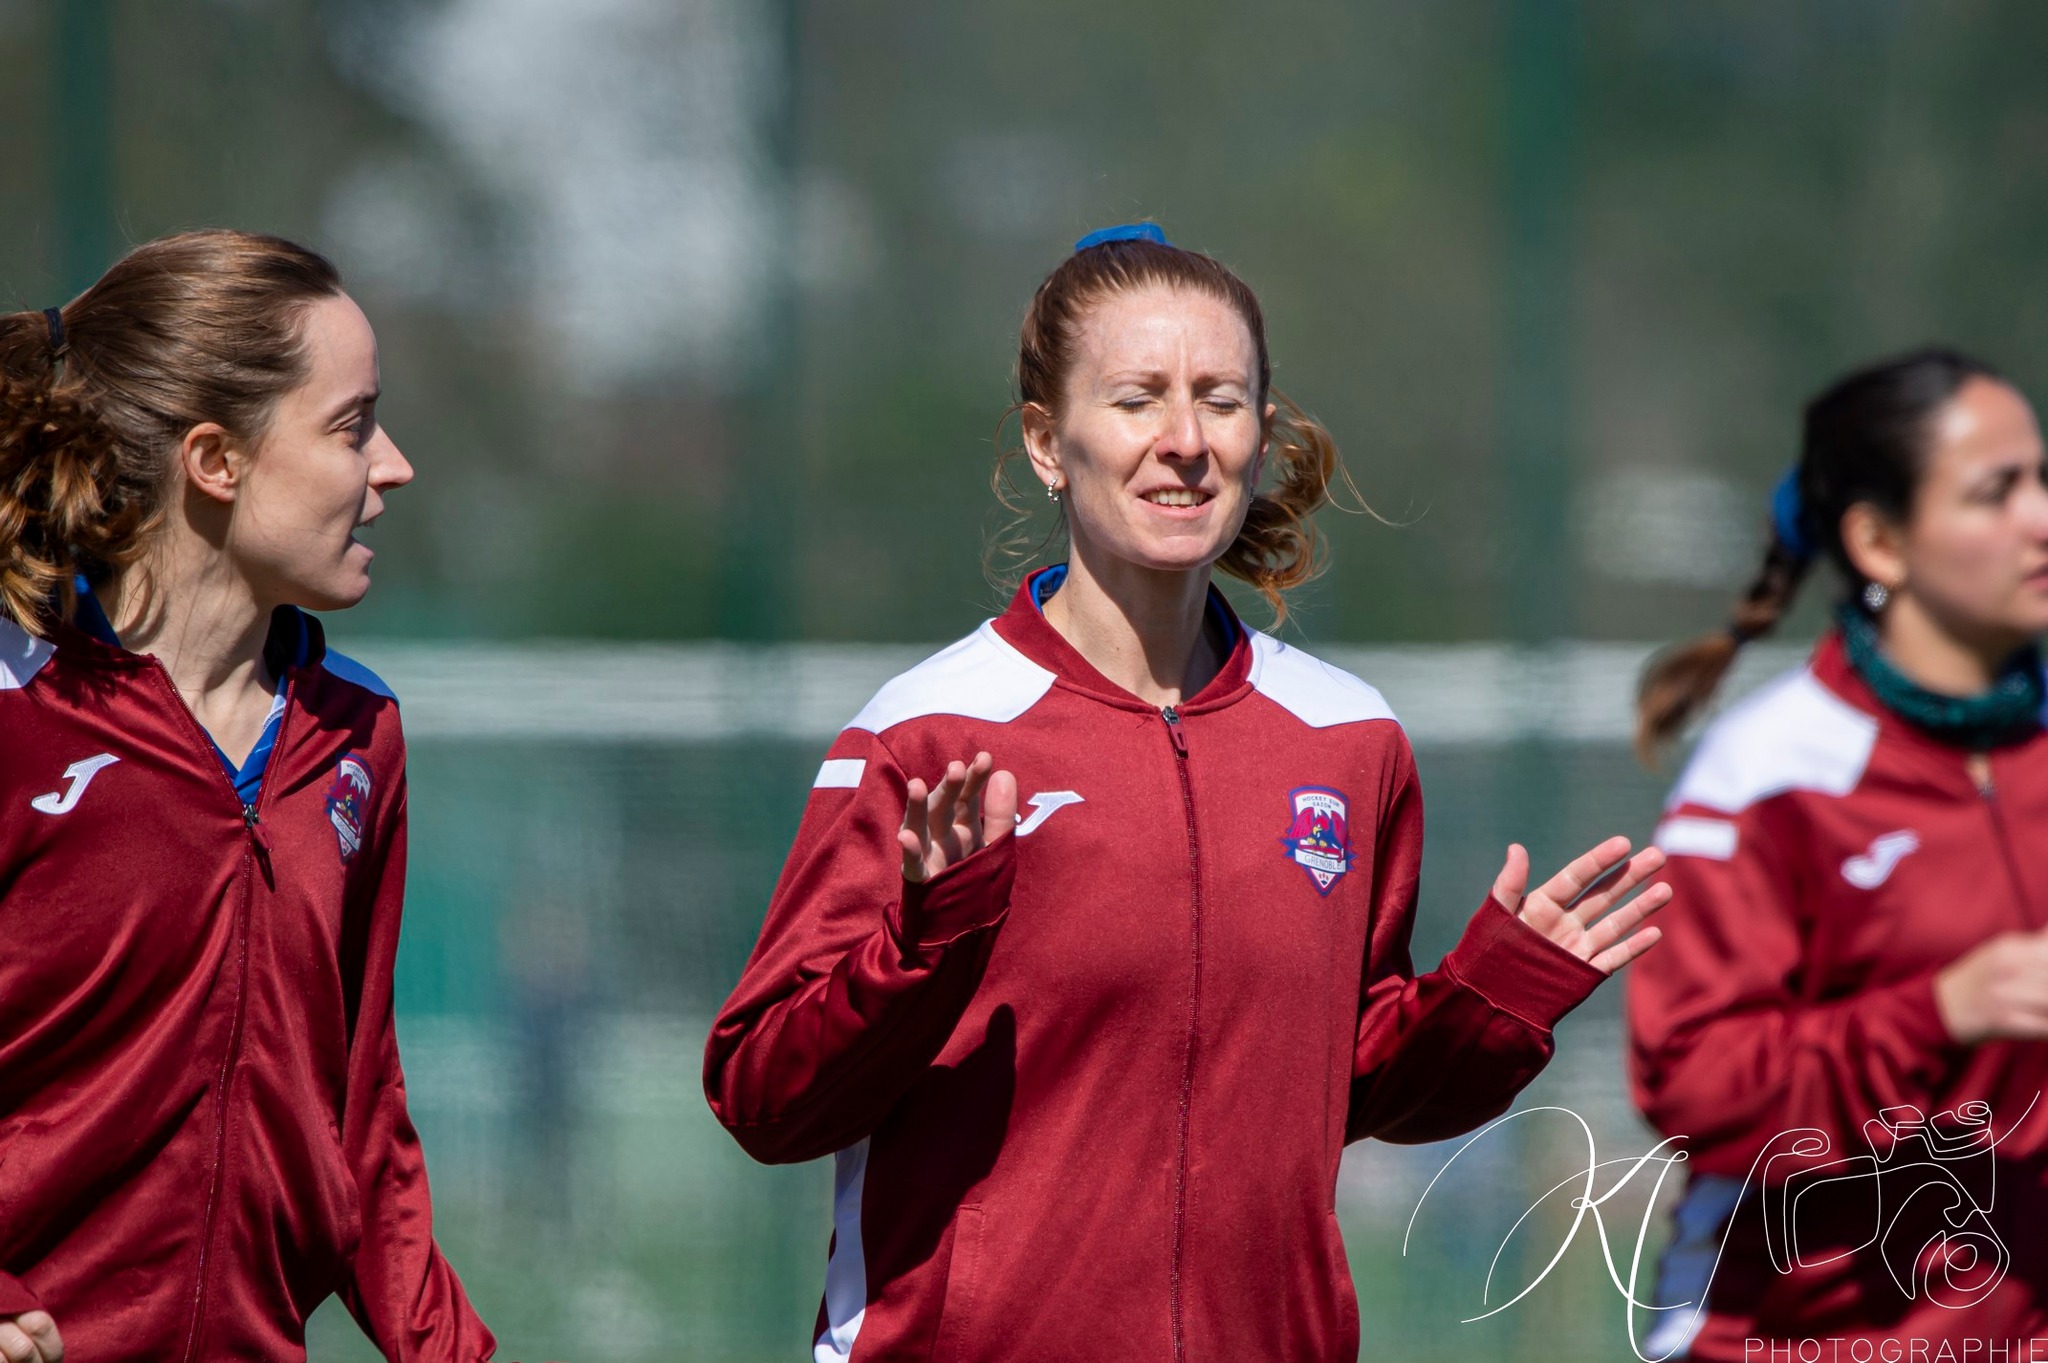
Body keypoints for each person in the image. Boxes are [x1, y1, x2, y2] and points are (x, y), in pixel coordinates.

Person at [704, 223, 1667, 1362]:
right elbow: (764, 1097)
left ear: (1260, 436)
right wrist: (922, 949)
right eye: (1134, 399)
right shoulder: (924, 735)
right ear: (1045, 442)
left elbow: (1343, 1089)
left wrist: (1490, 998)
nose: (1182, 441)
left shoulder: (1348, 740)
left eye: (1219, 399)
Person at [0, 231, 494, 1363]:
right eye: (352, 424)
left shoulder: (360, 732)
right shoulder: (16, 711)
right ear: (215, 461)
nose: (394, 465)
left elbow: (360, 1111)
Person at [1630, 348, 2048, 1360]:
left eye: (2041, 479)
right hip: (1797, 1334)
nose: (2037, 519)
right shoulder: (1768, 774)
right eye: (1994, 493)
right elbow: (1688, 1086)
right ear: (1876, 541)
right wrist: (1935, 1012)